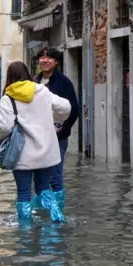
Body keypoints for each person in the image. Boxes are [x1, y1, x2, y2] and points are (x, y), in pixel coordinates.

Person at [0, 61, 71, 223]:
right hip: (47, 153)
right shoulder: (43, 91)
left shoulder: (7, 98)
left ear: (9, 78)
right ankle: (57, 215)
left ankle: (25, 233)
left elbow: (5, 127)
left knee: (24, 194)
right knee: (44, 189)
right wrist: (56, 123)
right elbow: (66, 107)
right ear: (27, 74)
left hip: (22, 156)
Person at [33, 47, 79, 210]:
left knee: (54, 174)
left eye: (49, 58)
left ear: (56, 62)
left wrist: (63, 131)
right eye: (42, 57)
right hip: (38, 137)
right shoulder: (35, 81)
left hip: (58, 136)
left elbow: (74, 109)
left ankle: (57, 211)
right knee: (38, 173)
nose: (44, 60)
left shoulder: (64, 82)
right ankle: (42, 209)